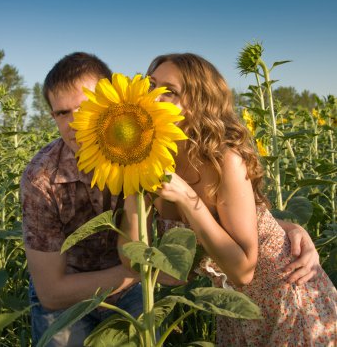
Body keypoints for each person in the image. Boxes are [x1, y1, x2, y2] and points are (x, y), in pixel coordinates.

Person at [120, 53, 337, 346]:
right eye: (150, 86)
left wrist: (186, 198)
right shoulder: (156, 160)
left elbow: (243, 271)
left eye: (169, 92)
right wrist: (131, 172)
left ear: (199, 102)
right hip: (233, 311)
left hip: (286, 298)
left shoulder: (225, 159)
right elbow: (136, 260)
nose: (153, 99)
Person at [20, 52, 142, 347]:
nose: (75, 123)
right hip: (68, 296)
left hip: (131, 291)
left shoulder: (143, 154)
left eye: (86, 108)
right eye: (63, 113)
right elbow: (51, 293)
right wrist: (136, 273)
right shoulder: (41, 179)